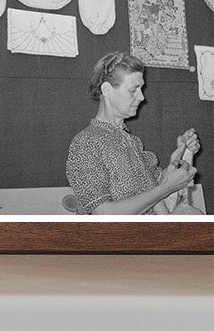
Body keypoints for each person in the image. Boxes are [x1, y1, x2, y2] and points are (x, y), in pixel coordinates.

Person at [66, 51, 201, 215]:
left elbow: (154, 187)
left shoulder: (132, 142)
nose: (142, 97)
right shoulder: (86, 144)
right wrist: (168, 187)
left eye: (141, 88)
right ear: (107, 90)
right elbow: (104, 214)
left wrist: (182, 155)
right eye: (133, 90)